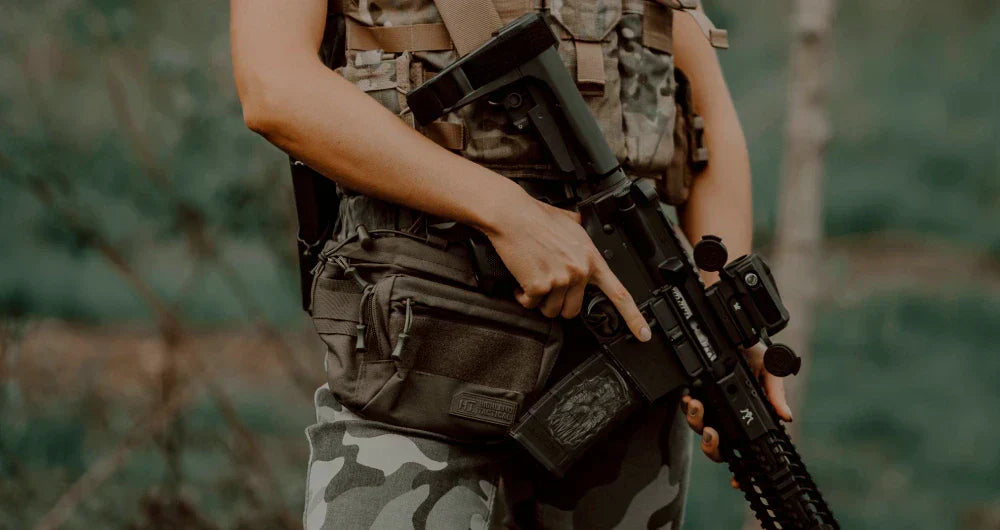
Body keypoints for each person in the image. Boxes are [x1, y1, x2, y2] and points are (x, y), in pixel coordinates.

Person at [230, 1, 793, 528]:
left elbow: (704, 118)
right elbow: (275, 87)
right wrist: (508, 214)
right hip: (422, 358)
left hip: (629, 368)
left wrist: (715, 320)